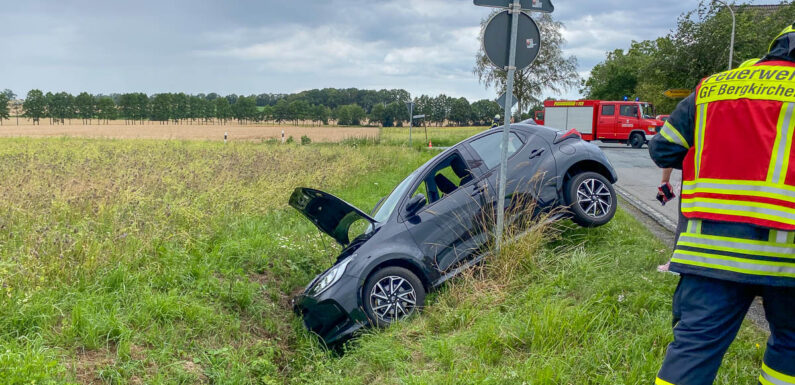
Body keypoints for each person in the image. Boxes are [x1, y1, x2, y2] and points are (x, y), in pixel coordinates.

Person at [649, 24, 795, 385]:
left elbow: (663, 148)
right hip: (786, 257)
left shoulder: (712, 88)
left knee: (694, 346)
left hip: (709, 252)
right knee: (790, 346)